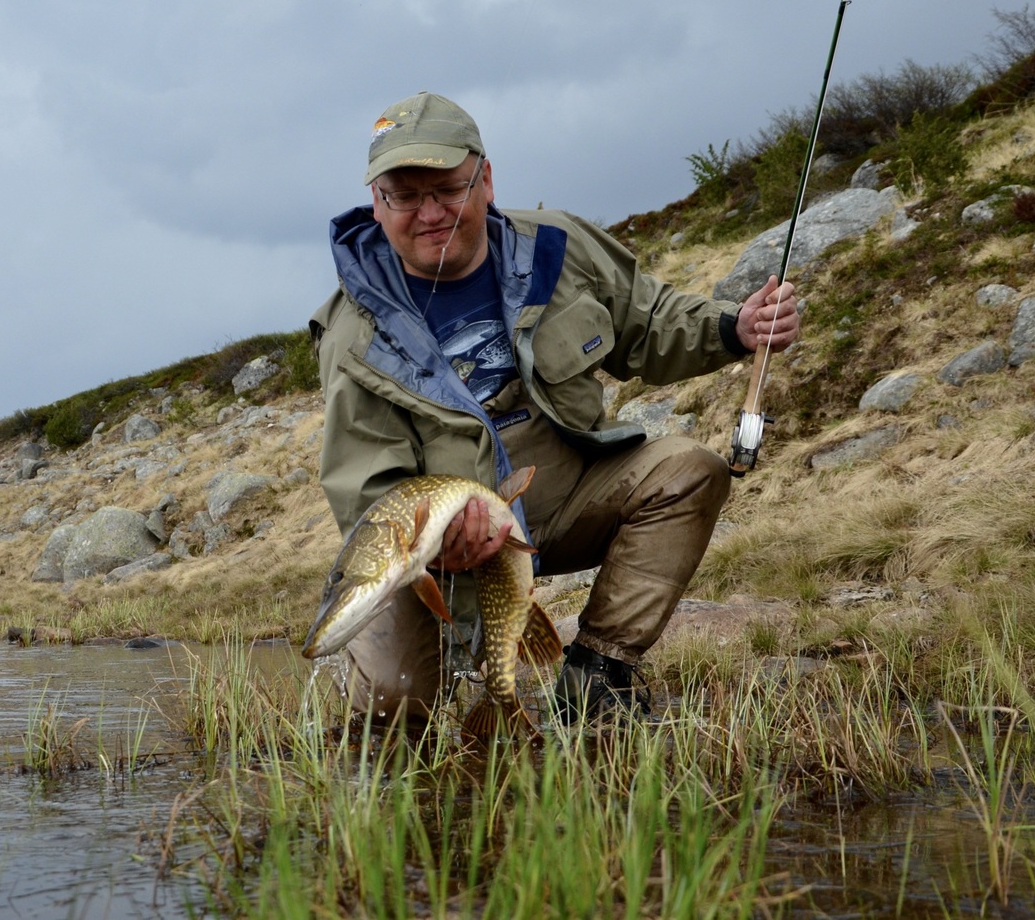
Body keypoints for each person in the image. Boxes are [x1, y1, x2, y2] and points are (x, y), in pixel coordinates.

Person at [309, 91, 799, 727]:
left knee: (688, 470)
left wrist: (737, 328)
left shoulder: (557, 248)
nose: (430, 213)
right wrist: (437, 551)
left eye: (448, 189)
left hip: (565, 498)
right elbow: (369, 487)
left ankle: (597, 677)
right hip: (431, 546)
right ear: (378, 203)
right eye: (405, 196)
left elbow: (648, 322)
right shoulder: (351, 334)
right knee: (392, 718)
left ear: (484, 178)